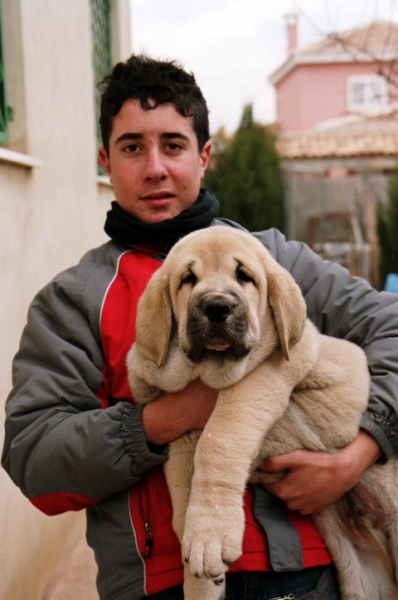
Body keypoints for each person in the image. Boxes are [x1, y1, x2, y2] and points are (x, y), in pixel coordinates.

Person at [2, 54, 398, 600]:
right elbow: (35, 458)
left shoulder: (275, 261)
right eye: (132, 147)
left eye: (173, 145)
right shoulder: (74, 300)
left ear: (204, 156)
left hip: (305, 575)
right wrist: (162, 421)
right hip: (159, 584)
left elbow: (392, 327)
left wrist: (360, 452)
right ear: (105, 161)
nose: (156, 168)